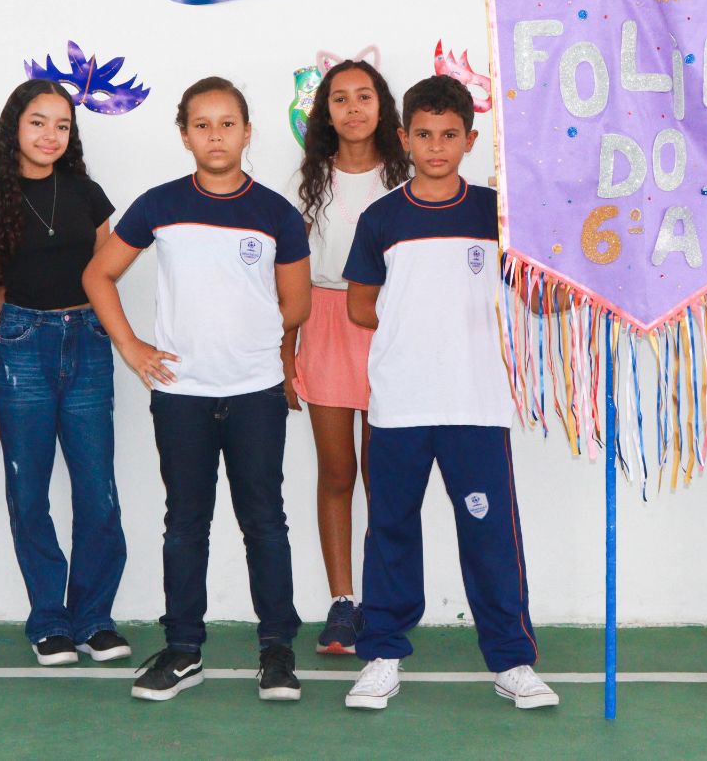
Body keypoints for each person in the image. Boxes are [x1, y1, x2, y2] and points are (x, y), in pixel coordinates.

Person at [84, 76, 311, 703]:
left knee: (265, 521)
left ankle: (277, 651)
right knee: (185, 523)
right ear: (184, 135)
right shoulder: (159, 205)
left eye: (227, 123)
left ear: (247, 131)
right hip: (181, 395)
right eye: (202, 125)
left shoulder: (275, 213)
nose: (216, 136)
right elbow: (99, 274)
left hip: (256, 393)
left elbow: (296, 305)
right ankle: (183, 649)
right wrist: (132, 347)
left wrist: (248, 344)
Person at [343, 75, 557, 712]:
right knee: (389, 531)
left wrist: (578, 279)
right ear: (404, 138)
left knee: (491, 539)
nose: (436, 146)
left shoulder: (497, 213)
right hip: (401, 404)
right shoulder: (381, 218)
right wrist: (418, 330)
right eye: (424, 134)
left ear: (470, 139)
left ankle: (512, 661)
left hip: (476, 403)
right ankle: (382, 654)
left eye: (449, 135)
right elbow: (360, 305)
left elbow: (540, 299)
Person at [0, 80, 129, 667]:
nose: (50, 135)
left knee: (98, 491)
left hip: (88, 343)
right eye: (38, 122)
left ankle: (94, 618)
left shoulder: (87, 194)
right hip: (19, 349)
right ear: (15, 128)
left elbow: (107, 273)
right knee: (28, 493)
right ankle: (49, 620)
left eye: (62, 125)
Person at [283, 58, 410, 654]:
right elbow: (289, 278)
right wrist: (285, 353)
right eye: (340, 98)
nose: (353, 108)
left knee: (384, 476)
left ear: (381, 106)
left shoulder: (407, 177)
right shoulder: (307, 183)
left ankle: (383, 603)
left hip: (389, 325)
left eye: (364, 96)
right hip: (327, 324)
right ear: (325, 112)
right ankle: (342, 603)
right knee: (337, 473)